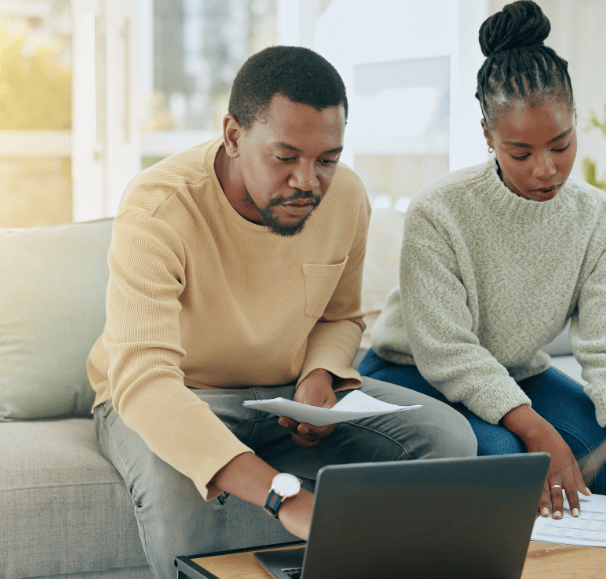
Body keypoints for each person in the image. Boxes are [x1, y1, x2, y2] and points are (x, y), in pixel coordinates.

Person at [88, 45, 477, 579]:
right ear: (232, 136)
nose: (308, 182)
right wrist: (283, 498)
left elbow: (340, 318)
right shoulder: (159, 208)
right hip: (176, 393)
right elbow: (145, 384)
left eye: (327, 160)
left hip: (282, 398)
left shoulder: (345, 198)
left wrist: (320, 374)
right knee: (178, 484)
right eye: (285, 157)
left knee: (448, 439)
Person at [360, 0, 606, 520]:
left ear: (575, 122)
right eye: (521, 153)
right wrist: (536, 429)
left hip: (518, 374)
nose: (546, 170)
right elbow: (446, 350)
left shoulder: (600, 220)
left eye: (561, 145)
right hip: (413, 370)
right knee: (510, 460)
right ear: (488, 135)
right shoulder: (439, 210)